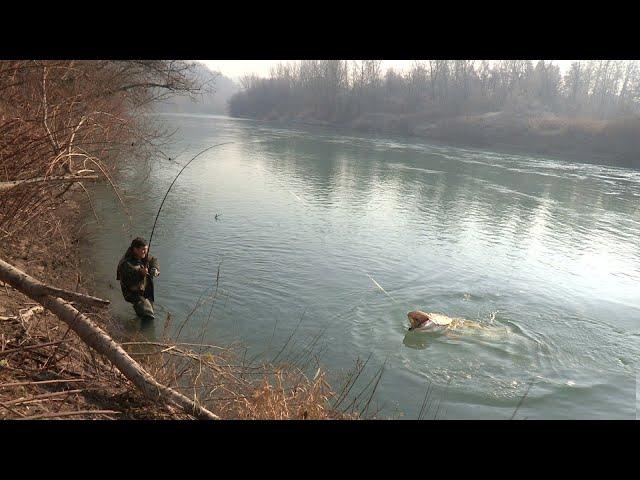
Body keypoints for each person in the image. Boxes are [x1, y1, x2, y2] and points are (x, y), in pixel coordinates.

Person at [116, 237, 159, 321]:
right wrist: (140, 274)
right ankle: (140, 332)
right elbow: (128, 282)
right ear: (135, 249)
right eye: (143, 249)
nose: (145, 252)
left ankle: (138, 320)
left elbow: (153, 260)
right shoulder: (126, 263)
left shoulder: (142, 255)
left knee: (148, 311)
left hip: (144, 290)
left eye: (146, 249)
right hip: (132, 293)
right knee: (148, 316)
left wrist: (154, 269)